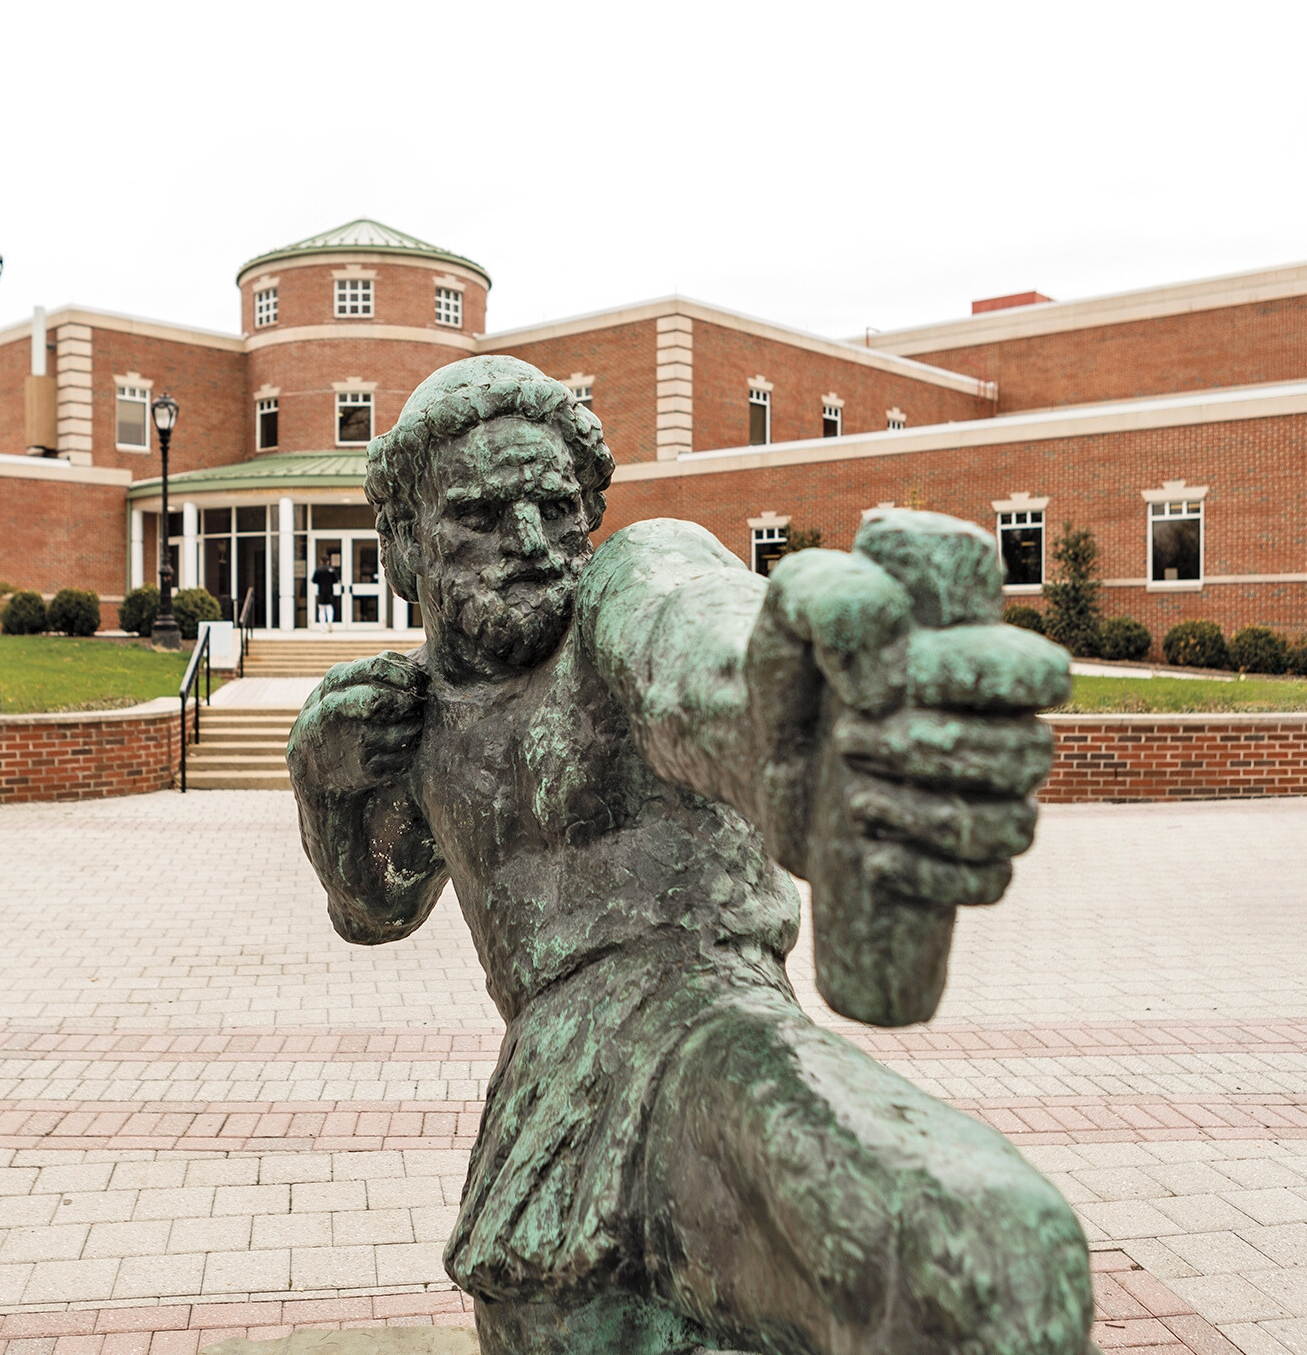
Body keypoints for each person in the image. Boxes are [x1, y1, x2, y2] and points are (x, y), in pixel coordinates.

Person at [287, 356, 1092, 1355]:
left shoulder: (623, 593)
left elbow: (695, 648)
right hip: (549, 1139)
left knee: (988, 1253)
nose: (534, 542)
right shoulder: (408, 720)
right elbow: (374, 906)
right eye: (484, 516)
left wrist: (801, 725)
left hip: (705, 1054)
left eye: (556, 506)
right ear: (403, 542)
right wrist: (326, 789)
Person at [311, 552, 340, 626]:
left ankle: (322, 626)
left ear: (321, 561)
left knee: (321, 608)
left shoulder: (318, 570)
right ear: (328, 561)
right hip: (330, 591)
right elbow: (336, 580)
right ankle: (330, 621)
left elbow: (314, 580)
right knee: (329, 607)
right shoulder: (332, 570)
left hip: (321, 591)